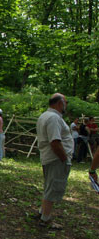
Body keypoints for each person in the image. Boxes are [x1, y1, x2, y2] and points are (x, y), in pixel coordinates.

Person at [36, 93, 73, 228]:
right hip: (56, 158)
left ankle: (42, 212)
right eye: (66, 102)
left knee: (49, 185)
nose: (66, 105)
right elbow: (55, 141)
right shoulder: (53, 118)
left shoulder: (46, 115)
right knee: (53, 187)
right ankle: (45, 218)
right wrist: (64, 158)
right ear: (59, 103)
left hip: (50, 157)